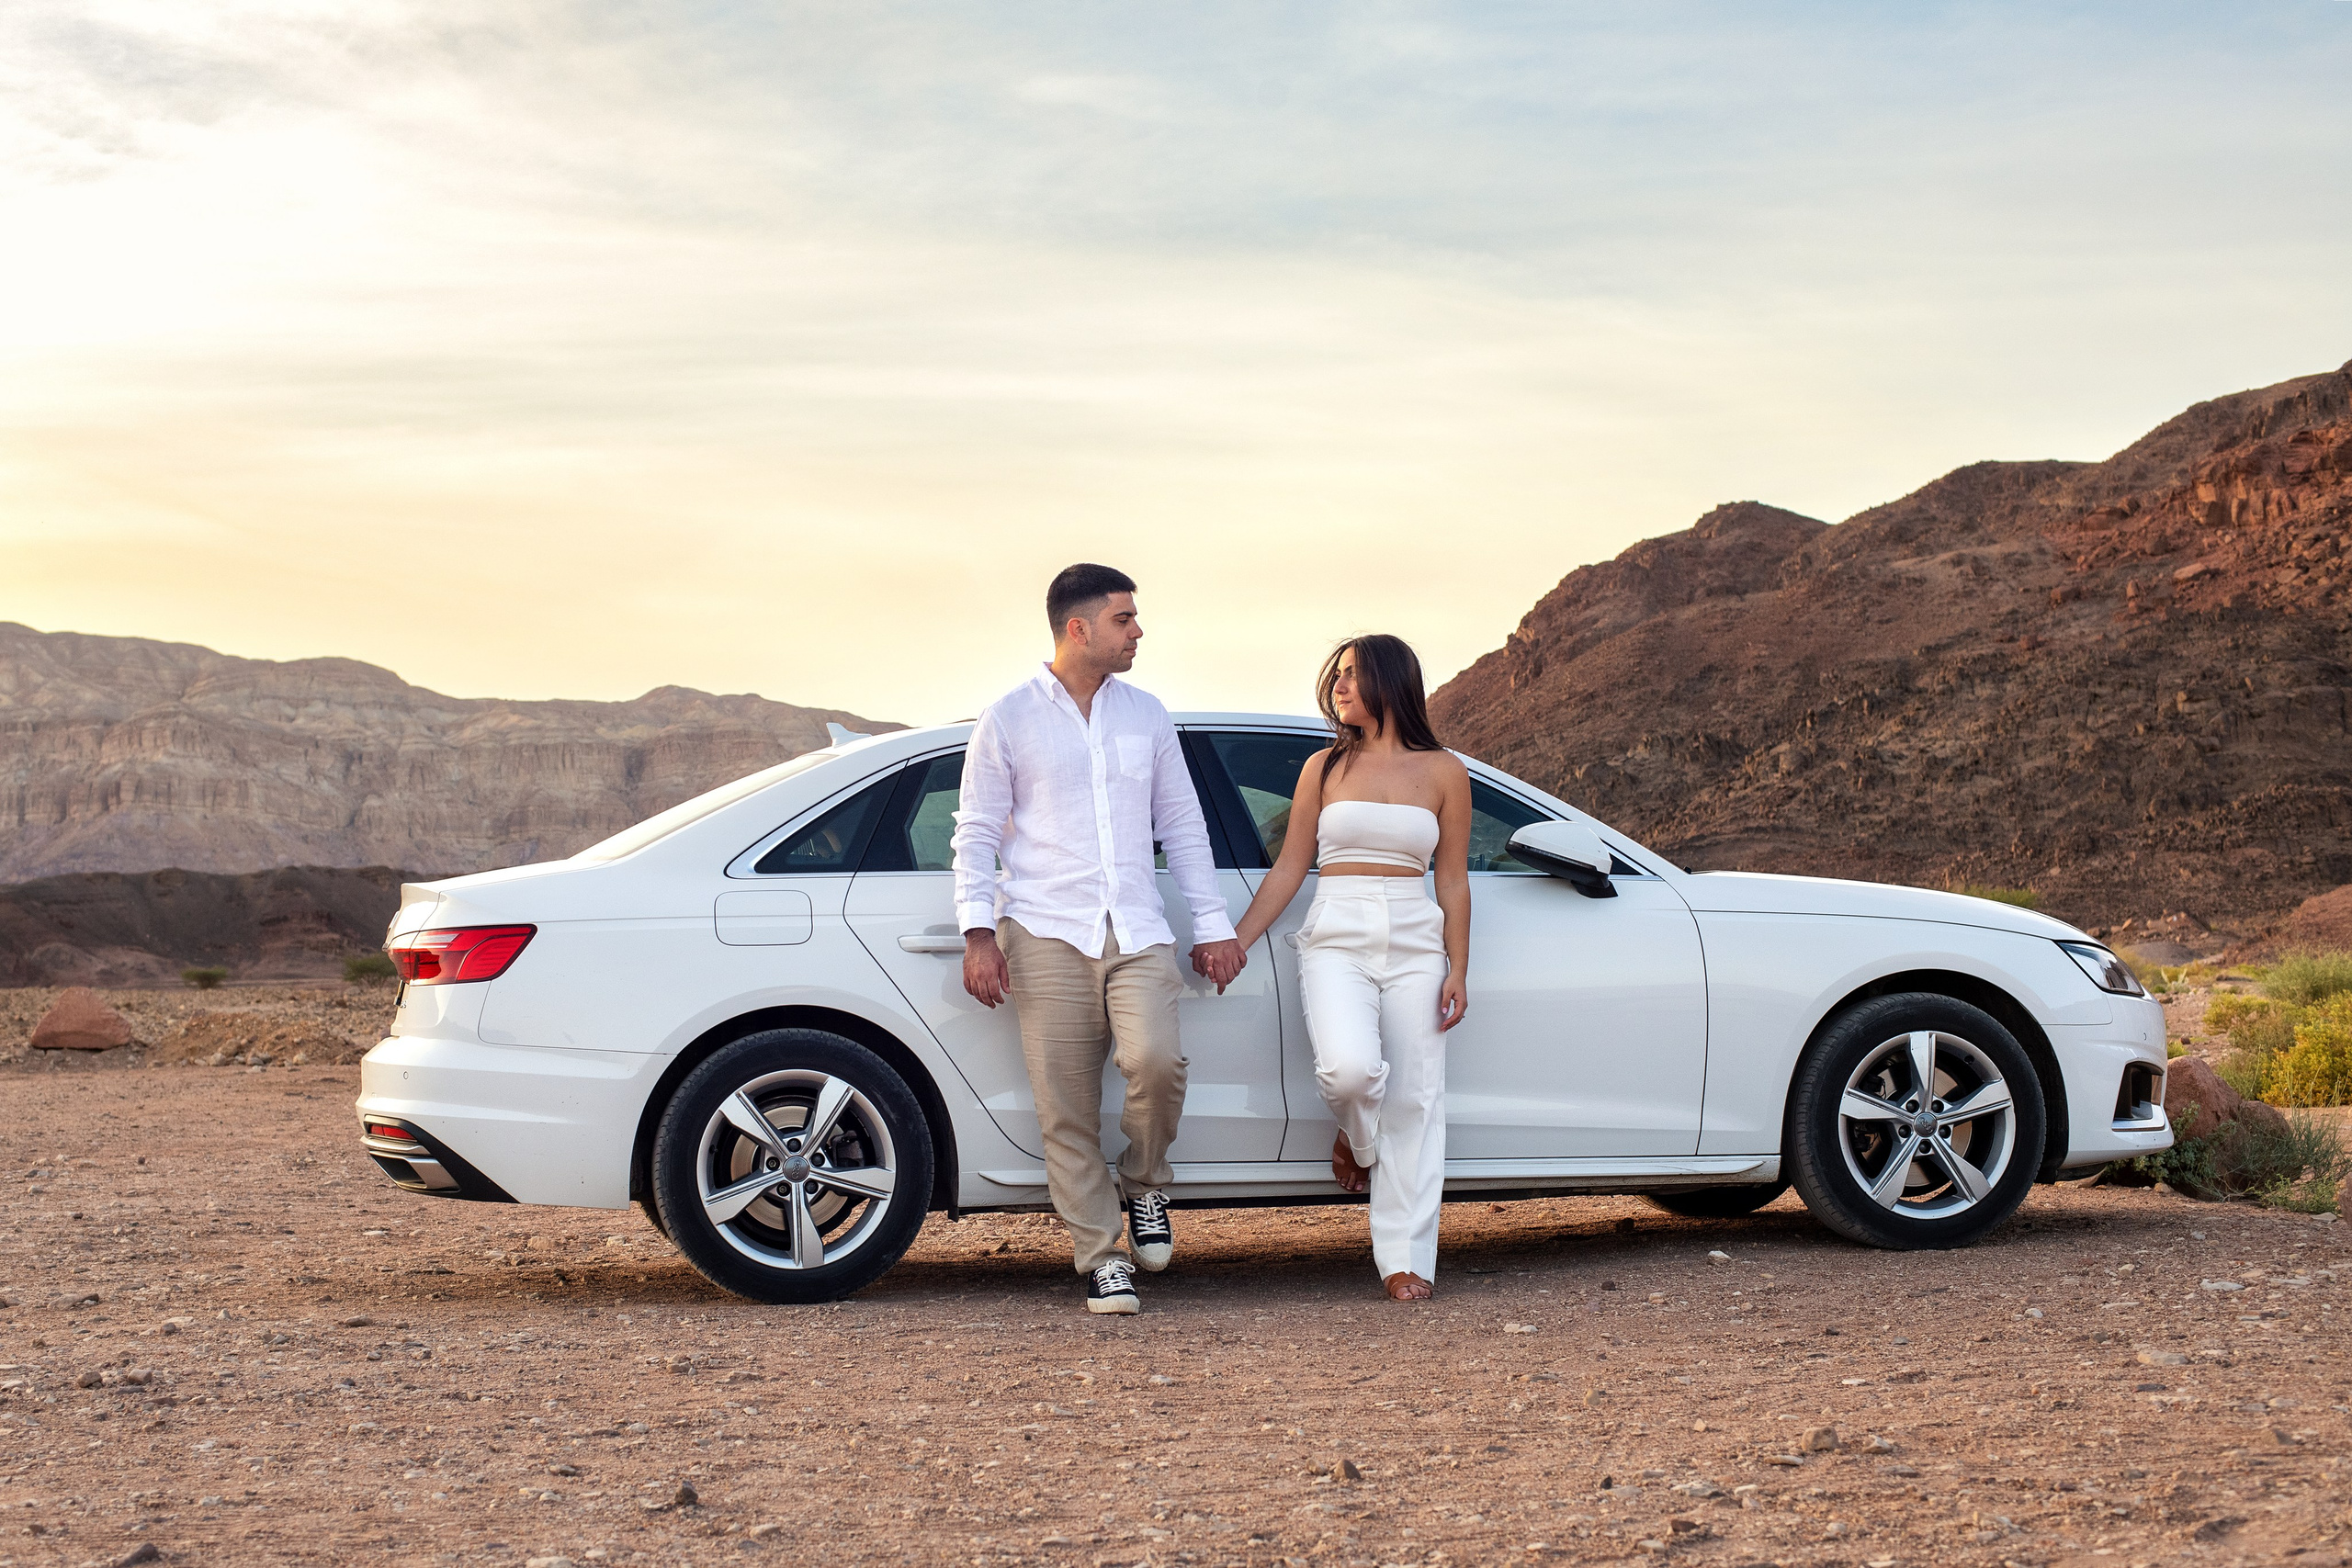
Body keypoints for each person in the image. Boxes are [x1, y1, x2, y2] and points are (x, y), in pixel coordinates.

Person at [951, 564, 1247, 1314]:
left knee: (1156, 1060)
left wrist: (1212, 925)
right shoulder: (1008, 717)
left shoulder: (1147, 714)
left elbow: (1181, 822)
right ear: (1078, 627)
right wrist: (978, 932)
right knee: (1067, 1105)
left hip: (1138, 926)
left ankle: (1145, 1186)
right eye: (1125, 618)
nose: (1138, 630)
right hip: (1044, 930)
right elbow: (977, 831)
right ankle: (1099, 1253)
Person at [1228, 635, 1470, 1301]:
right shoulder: (1324, 767)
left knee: (1418, 1097)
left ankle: (1405, 1258)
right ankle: (1357, 1137)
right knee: (1351, 1072)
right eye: (1336, 674)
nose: (1339, 685)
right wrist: (1240, 939)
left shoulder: (1445, 771)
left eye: (1354, 675)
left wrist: (1459, 967)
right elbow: (1289, 866)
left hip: (1417, 940)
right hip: (1337, 934)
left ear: (1391, 681)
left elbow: (1451, 881)